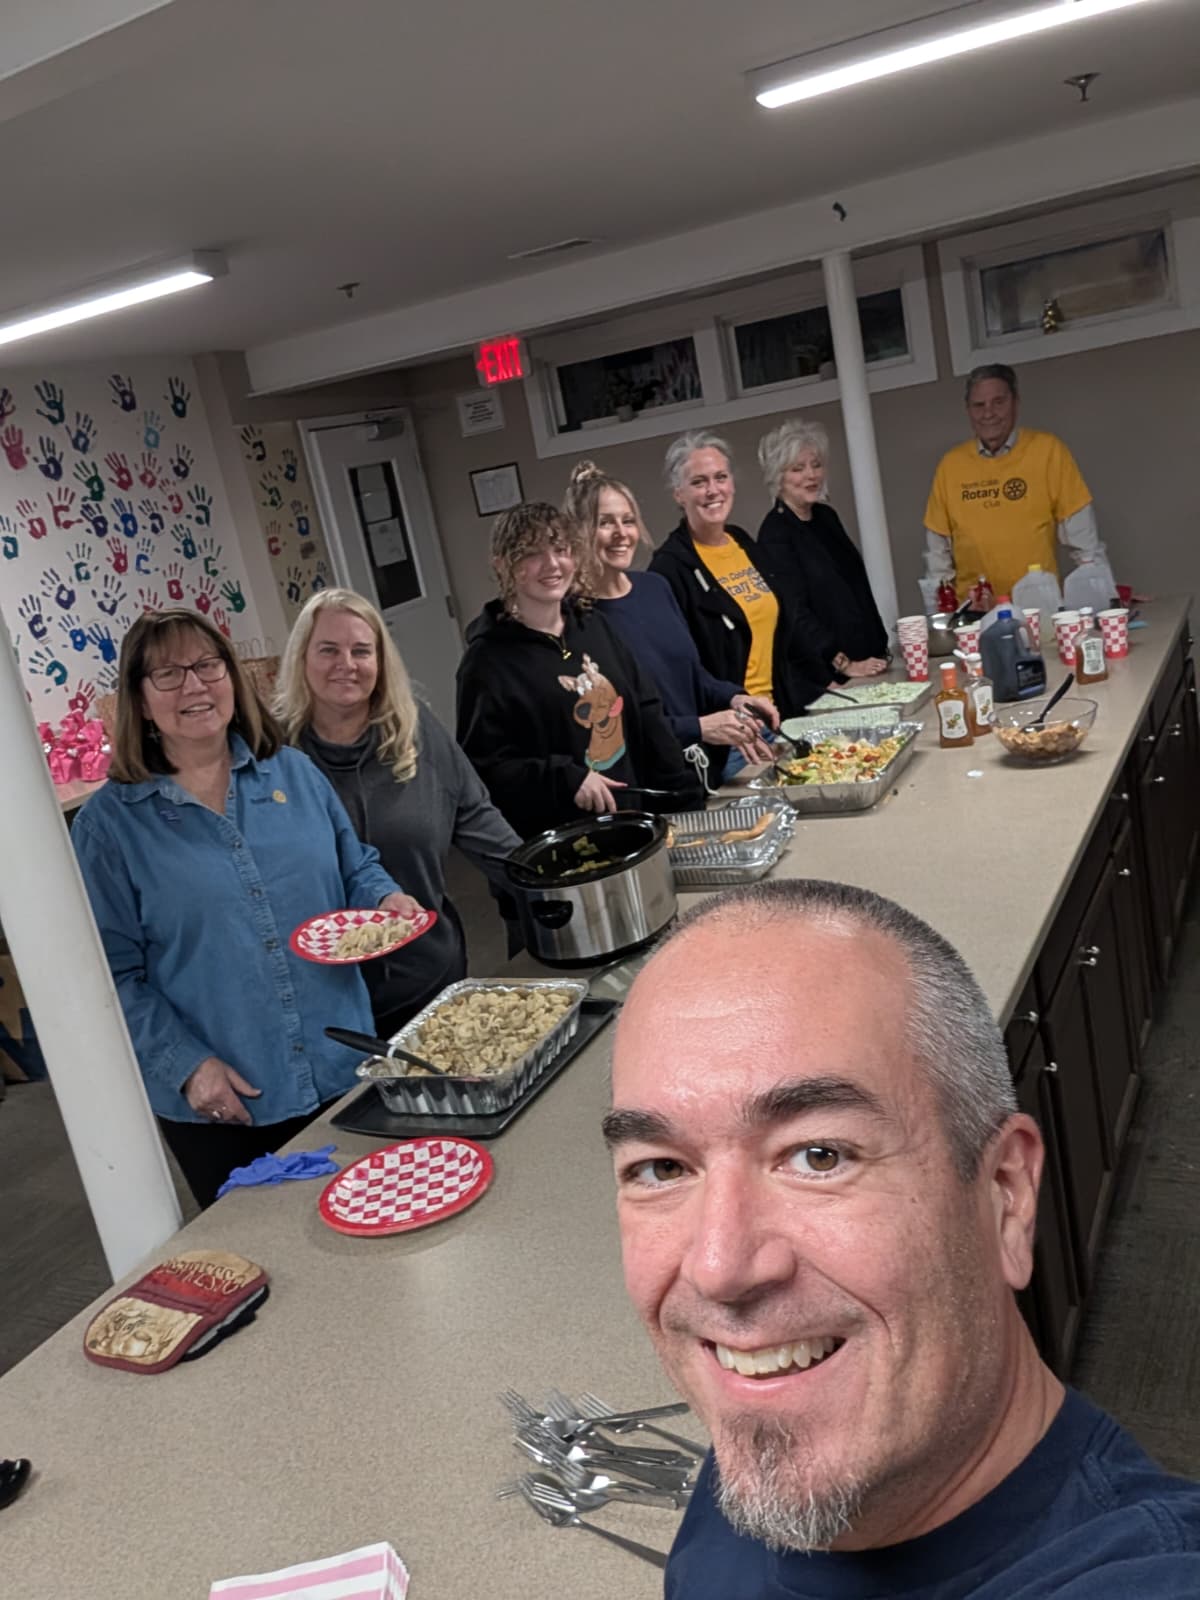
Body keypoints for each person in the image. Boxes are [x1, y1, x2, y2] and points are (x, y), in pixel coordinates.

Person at [605, 879, 1200, 1597]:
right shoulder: (781, 1406)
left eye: (819, 1155)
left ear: (1006, 1194)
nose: (718, 1266)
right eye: (662, 1168)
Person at [73, 609, 422, 1208]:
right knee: (263, 1253)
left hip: (340, 1063)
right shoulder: (109, 827)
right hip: (225, 1099)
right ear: (139, 699)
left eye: (208, 666)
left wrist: (385, 897)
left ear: (231, 677)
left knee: (380, 1217)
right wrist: (187, 1066)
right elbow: (110, 976)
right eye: (168, 674)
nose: (195, 686)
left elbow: (355, 866)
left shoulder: (295, 773)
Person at [277, 588, 521, 1039]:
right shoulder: (273, 755)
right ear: (301, 658)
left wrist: (543, 884)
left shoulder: (415, 728)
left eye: (361, 651)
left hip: (429, 976)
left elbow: (475, 817)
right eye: (328, 650)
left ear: (381, 661)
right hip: (326, 1001)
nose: (346, 664)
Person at [456, 501, 701, 839]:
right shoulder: (486, 663)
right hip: (564, 842)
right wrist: (566, 778)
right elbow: (484, 768)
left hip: (635, 824)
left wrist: (682, 793)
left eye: (560, 549)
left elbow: (647, 710)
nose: (552, 564)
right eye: (532, 554)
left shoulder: (594, 625)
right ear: (502, 565)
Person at [564, 459, 777, 786]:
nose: (621, 533)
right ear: (579, 533)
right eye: (605, 523)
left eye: (628, 521)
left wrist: (735, 697)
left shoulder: (654, 588)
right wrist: (699, 727)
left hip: (703, 771)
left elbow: (693, 676)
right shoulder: (575, 620)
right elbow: (618, 723)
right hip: (650, 786)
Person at [649, 431, 833, 722]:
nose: (713, 490)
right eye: (699, 482)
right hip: (733, 728)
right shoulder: (669, 569)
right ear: (678, 493)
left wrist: (826, 680)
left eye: (720, 477)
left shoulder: (743, 542)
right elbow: (679, 670)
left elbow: (788, 626)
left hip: (781, 714)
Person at [924, 364, 1109, 603]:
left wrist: (1106, 597)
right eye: (979, 405)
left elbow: (1085, 544)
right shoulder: (950, 466)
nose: (988, 413)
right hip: (975, 609)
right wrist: (940, 612)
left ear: (1015, 402)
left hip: (1039, 606)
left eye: (998, 402)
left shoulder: (1047, 450)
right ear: (968, 410)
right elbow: (937, 555)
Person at [756, 419, 890, 682]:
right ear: (778, 477)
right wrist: (844, 663)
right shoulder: (775, 534)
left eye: (816, 465)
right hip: (827, 675)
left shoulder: (826, 516)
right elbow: (794, 613)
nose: (811, 475)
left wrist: (879, 643)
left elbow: (855, 586)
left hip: (869, 661)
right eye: (798, 468)